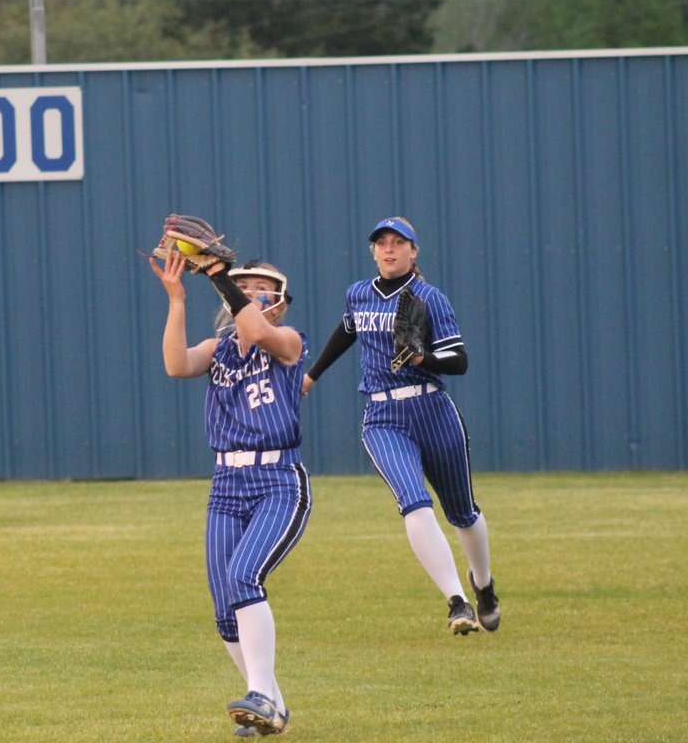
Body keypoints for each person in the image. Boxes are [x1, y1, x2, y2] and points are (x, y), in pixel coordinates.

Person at [301, 216, 500, 635]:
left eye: (398, 242)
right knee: (414, 502)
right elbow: (346, 331)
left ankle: (483, 586)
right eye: (381, 243)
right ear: (373, 251)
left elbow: (459, 362)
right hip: (383, 417)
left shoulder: (430, 298)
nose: (389, 249)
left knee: (462, 512)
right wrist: (311, 375)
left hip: (433, 411)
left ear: (414, 251)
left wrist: (423, 359)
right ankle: (457, 602)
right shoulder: (359, 294)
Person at [150, 250, 311, 737]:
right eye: (248, 286)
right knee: (224, 609)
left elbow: (259, 332)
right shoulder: (219, 348)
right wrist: (177, 299)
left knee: (243, 575)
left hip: (278, 481)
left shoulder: (288, 340)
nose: (255, 293)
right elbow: (176, 366)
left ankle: (261, 693)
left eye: (265, 287)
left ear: (279, 302)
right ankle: (271, 704)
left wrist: (221, 274)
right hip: (226, 484)